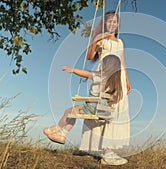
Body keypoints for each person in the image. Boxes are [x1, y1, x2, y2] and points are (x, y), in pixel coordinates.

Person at [78, 11, 131, 165]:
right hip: (105, 75)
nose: (112, 24)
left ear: (118, 25)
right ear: (105, 23)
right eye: (109, 22)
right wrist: (96, 38)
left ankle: (109, 149)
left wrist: (127, 80)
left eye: (115, 22)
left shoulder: (120, 42)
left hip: (119, 76)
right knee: (104, 108)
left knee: (117, 109)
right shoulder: (101, 38)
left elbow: (123, 62)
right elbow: (89, 56)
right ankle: (106, 152)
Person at [43, 54, 123, 145]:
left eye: (102, 64)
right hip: (104, 110)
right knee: (73, 112)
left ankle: (57, 130)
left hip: (94, 107)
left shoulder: (100, 76)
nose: (100, 65)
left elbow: (87, 74)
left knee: (69, 111)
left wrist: (73, 70)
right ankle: (61, 133)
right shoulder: (115, 81)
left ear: (106, 65)